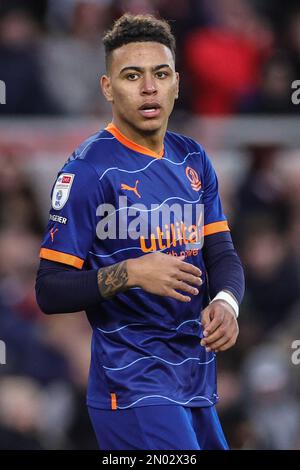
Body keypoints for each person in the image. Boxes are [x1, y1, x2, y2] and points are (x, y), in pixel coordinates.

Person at [35, 14, 245, 450]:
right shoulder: (88, 171)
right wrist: (129, 273)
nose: (149, 88)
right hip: (131, 388)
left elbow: (221, 252)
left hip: (195, 379)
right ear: (108, 88)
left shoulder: (194, 158)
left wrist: (226, 303)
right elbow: (49, 290)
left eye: (160, 74)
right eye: (132, 76)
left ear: (177, 83)